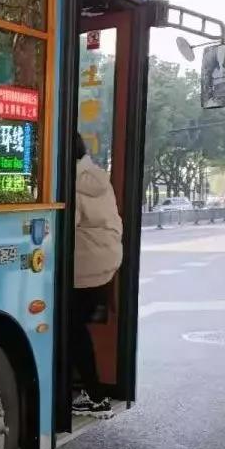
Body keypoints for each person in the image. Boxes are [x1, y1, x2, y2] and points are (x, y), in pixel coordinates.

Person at [72, 133, 123, 417]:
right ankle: (91, 392)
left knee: (71, 330)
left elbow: (63, 227)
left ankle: (94, 396)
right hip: (106, 262)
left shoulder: (70, 183)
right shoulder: (97, 176)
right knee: (75, 327)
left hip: (85, 266)